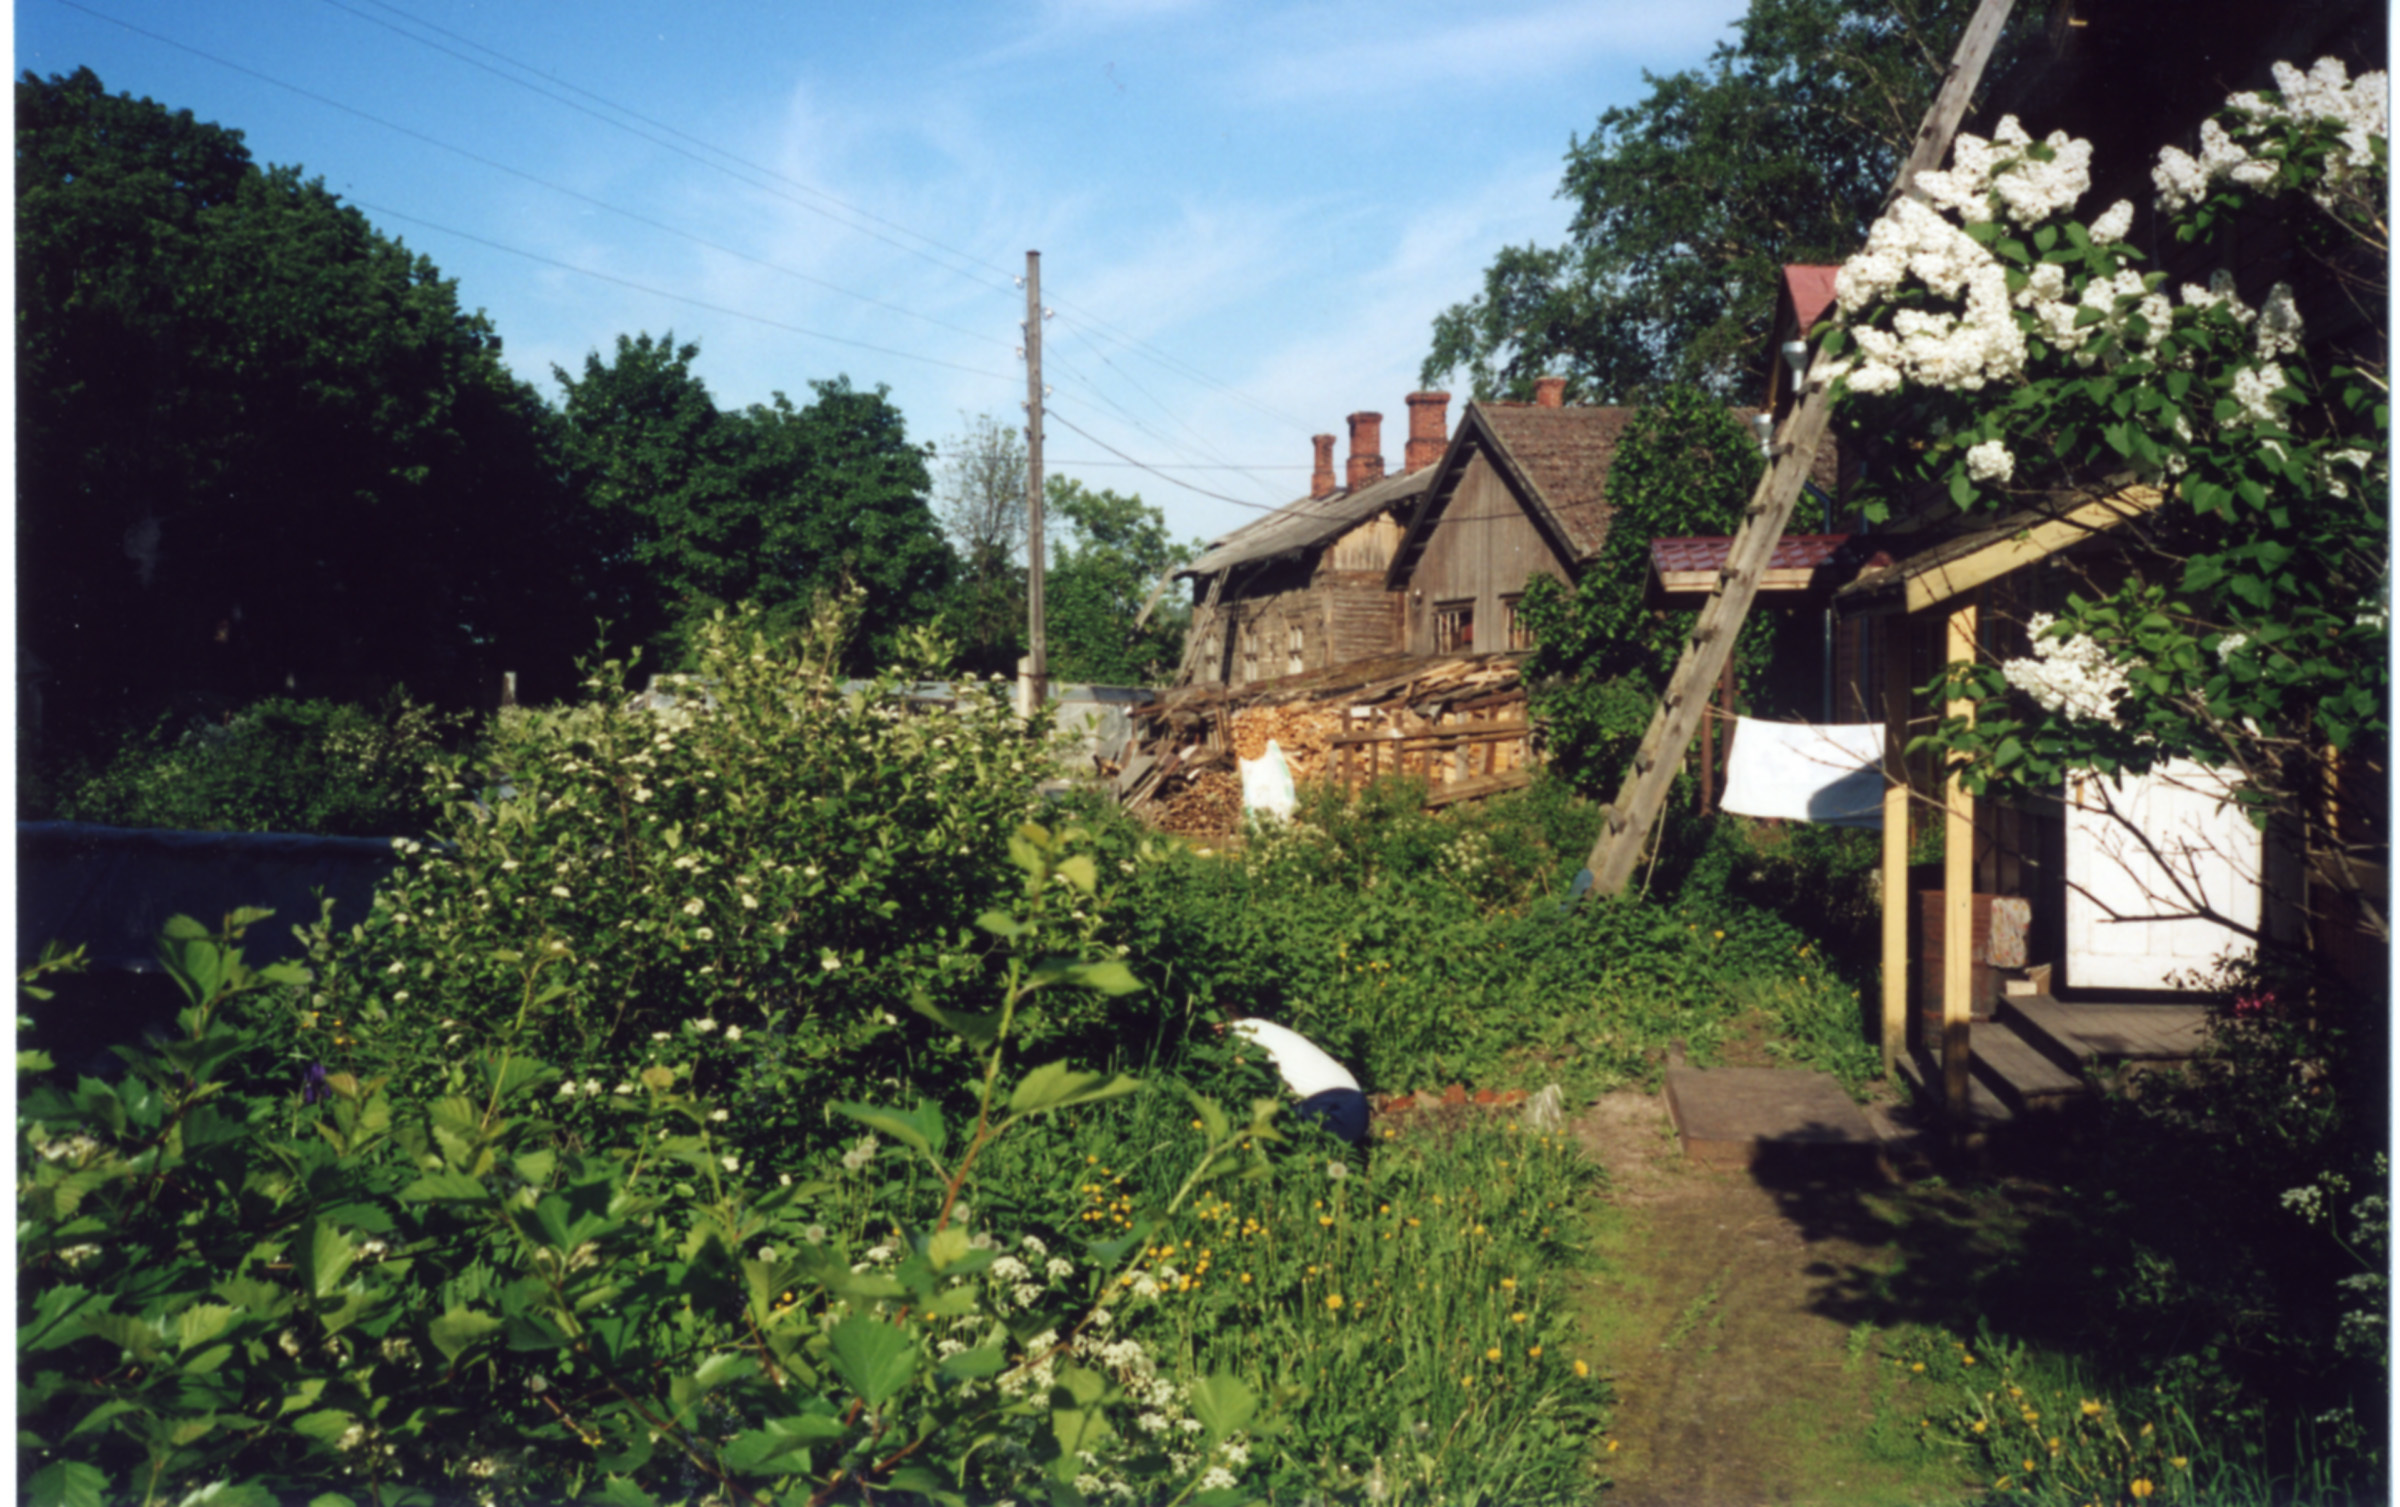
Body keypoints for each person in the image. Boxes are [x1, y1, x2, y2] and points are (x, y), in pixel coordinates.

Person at [1221, 1016, 1370, 1147]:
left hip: (1337, 1106)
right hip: (1351, 1104)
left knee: (1282, 1132)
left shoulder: (1242, 1030)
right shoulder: (1263, 1028)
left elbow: (1241, 1063)